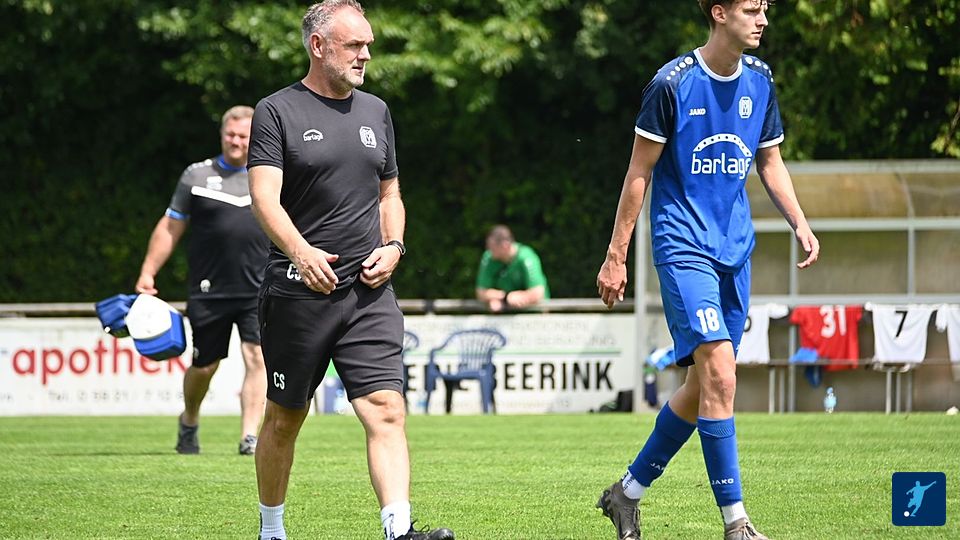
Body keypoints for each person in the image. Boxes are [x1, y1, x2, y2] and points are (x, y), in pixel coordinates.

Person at [595, 1, 820, 539]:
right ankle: (736, 523)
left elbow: (769, 160)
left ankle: (626, 494)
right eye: (751, 9)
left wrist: (800, 222)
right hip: (683, 245)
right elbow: (638, 172)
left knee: (702, 387)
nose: (763, 19)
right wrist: (616, 254)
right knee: (720, 373)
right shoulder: (671, 84)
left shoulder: (761, 79)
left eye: (765, 9)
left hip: (735, 250)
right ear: (719, 13)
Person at [246, 2, 454, 540]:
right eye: (354, 45)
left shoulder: (377, 111)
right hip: (298, 294)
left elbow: (390, 193)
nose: (365, 55)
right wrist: (302, 253)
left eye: (368, 45)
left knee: (386, 409)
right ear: (318, 46)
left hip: (368, 295)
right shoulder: (276, 111)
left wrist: (395, 245)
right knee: (285, 419)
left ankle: (398, 531)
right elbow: (264, 198)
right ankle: (271, 530)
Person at [135, 105, 269, 456]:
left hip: (259, 287)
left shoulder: (269, 176)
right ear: (222, 135)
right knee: (205, 365)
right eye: (231, 135)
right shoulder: (196, 175)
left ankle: (249, 436)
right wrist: (148, 272)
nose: (236, 141)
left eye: (244, 136)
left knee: (258, 357)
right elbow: (170, 226)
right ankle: (190, 419)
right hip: (210, 289)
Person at [475, 225, 550, 312]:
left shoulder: (526, 258)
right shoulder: (488, 258)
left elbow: (538, 293)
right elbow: (481, 292)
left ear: (505, 245)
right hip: (505, 315)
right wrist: (505, 298)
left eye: (493, 247)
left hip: (534, 314)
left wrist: (519, 297)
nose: (489, 250)